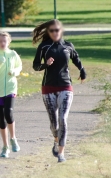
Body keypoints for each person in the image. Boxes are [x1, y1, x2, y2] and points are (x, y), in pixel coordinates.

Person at [32, 19, 86, 163]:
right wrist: (45, 65)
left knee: (63, 119)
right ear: (48, 32)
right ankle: (56, 139)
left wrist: (82, 70)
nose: (55, 33)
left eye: (57, 30)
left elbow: (76, 58)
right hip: (48, 88)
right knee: (54, 124)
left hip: (65, 86)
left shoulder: (68, 46)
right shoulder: (44, 47)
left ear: (61, 31)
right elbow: (35, 66)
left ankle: (61, 153)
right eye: (52, 31)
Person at [0, 32, 23, 158]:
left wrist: (15, 72)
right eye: (0, 41)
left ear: (9, 42)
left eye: (5, 41)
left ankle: (13, 138)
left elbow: (19, 66)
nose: (3, 43)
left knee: (9, 113)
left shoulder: (13, 54)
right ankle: (5, 146)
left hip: (11, 88)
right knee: (1, 119)